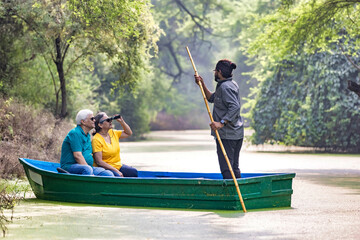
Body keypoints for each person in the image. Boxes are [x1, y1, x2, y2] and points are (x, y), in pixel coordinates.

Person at [194, 59, 244, 179]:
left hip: (228, 135)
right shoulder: (227, 84)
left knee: (227, 168)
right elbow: (212, 98)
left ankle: (232, 196)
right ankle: (238, 194)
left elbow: (235, 107)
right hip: (236, 134)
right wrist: (202, 84)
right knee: (234, 167)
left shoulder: (225, 87)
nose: (214, 73)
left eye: (215, 71)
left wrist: (221, 123)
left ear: (219, 71)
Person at [60, 109, 114, 176]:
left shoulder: (88, 135)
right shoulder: (75, 133)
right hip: (70, 166)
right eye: (92, 119)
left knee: (107, 173)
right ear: (83, 122)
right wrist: (91, 173)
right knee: (87, 169)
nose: (94, 120)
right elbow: (77, 156)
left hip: (87, 167)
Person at [92, 112, 138, 177]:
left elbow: (128, 133)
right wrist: (116, 171)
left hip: (117, 166)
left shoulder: (113, 132)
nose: (110, 121)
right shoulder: (96, 139)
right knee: (118, 176)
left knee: (133, 172)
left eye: (111, 119)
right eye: (108, 120)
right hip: (106, 168)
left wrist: (122, 122)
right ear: (100, 125)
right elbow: (99, 162)